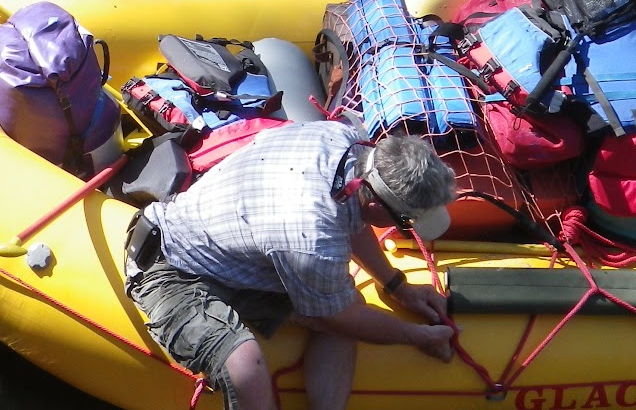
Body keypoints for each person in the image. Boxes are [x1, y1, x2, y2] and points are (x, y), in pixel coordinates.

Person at [124, 120, 460, 410]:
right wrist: (418, 336)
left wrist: (398, 286)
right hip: (170, 264)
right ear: (374, 199)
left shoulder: (341, 139)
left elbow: (351, 223)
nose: (409, 228)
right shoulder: (311, 232)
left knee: (351, 308)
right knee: (247, 370)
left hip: (238, 253)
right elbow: (336, 315)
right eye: (405, 221)